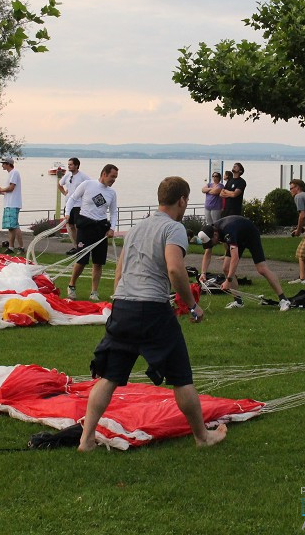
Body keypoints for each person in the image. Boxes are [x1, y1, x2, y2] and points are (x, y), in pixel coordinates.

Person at [77, 176, 225, 452]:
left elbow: (119, 272)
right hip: (152, 308)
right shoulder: (174, 228)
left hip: (123, 306)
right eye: (187, 200)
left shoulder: (136, 228)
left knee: (108, 377)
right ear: (181, 200)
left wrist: (121, 300)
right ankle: (203, 437)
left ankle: (86, 440)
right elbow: (174, 269)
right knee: (181, 377)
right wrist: (193, 305)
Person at [197, 215, 289, 310]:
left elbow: (235, 258)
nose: (211, 245)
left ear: (215, 235)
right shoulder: (210, 232)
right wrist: (203, 273)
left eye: (211, 242)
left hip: (250, 236)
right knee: (226, 268)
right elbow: (207, 254)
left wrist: (228, 280)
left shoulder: (227, 230)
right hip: (237, 238)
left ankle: (284, 300)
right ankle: (238, 302)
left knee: (262, 269)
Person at [64, 164, 119, 301]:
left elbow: (113, 213)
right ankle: (71, 286)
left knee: (98, 262)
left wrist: (112, 228)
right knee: (82, 259)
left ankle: (94, 292)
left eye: (115, 178)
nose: (113, 180)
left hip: (100, 228)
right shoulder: (87, 184)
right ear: (104, 174)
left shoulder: (111, 193)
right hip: (85, 226)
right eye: (112, 177)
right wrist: (67, 213)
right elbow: (72, 198)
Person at [57, 157, 90, 252]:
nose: (69, 166)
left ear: (76, 165)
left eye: (71, 164)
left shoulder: (83, 176)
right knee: (70, 226)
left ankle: (81, 245)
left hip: (78, 205)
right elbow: (59, 184)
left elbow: (90, 185)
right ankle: (75, 246)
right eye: (68, 164)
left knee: (77, 226)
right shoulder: (67, 175)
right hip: (68, 204)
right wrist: (64, 193)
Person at [0, 157, 23, 254]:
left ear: (8, 164)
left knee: (13, 226)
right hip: (9, 203)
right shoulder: (10, 174)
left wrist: (1, 189)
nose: (2, 165)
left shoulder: (14, 173)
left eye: (3, 163)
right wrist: (1, 192)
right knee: (12, 226)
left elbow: (11, 188)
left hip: (13, 204)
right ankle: (15, 247)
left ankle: (17, 247)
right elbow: (10, 191)